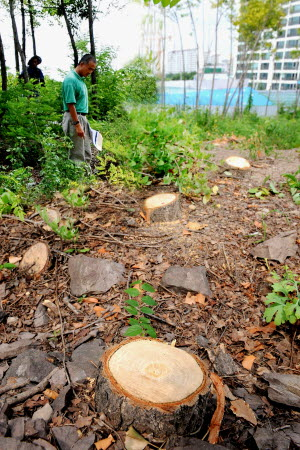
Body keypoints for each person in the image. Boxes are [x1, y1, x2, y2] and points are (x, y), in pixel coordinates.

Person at [62, 54, 97, 166]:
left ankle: (86, 179)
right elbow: (70, 104)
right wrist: (77, 124)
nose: (90, 72)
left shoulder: (80, 80)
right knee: (76, 154)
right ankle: (76, 181)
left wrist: (84, 123)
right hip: (74, 118)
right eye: (89, 68)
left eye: (93, 69)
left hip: (82, 118)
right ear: (82, 64)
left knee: (86, 151)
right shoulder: (70, 80)